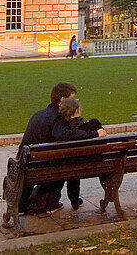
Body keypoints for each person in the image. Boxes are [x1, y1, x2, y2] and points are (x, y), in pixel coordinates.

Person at [18, 82, 78, 215]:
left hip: (26, 164)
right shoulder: (59, 118)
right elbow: (65, 136)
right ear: (62, 100)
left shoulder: (38, 114)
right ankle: (66, 200)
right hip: (43, 168)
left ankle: (24, 203)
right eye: (72, 98)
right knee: (70, 162)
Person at [51, 97, 108, 211]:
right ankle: (75, 200)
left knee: (73, 165)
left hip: (67, 164)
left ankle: (74, 200)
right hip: (90, 163)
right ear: (77, 110)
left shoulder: (59, 128)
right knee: (75, 164)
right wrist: (96, 133)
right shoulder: (90, 126)